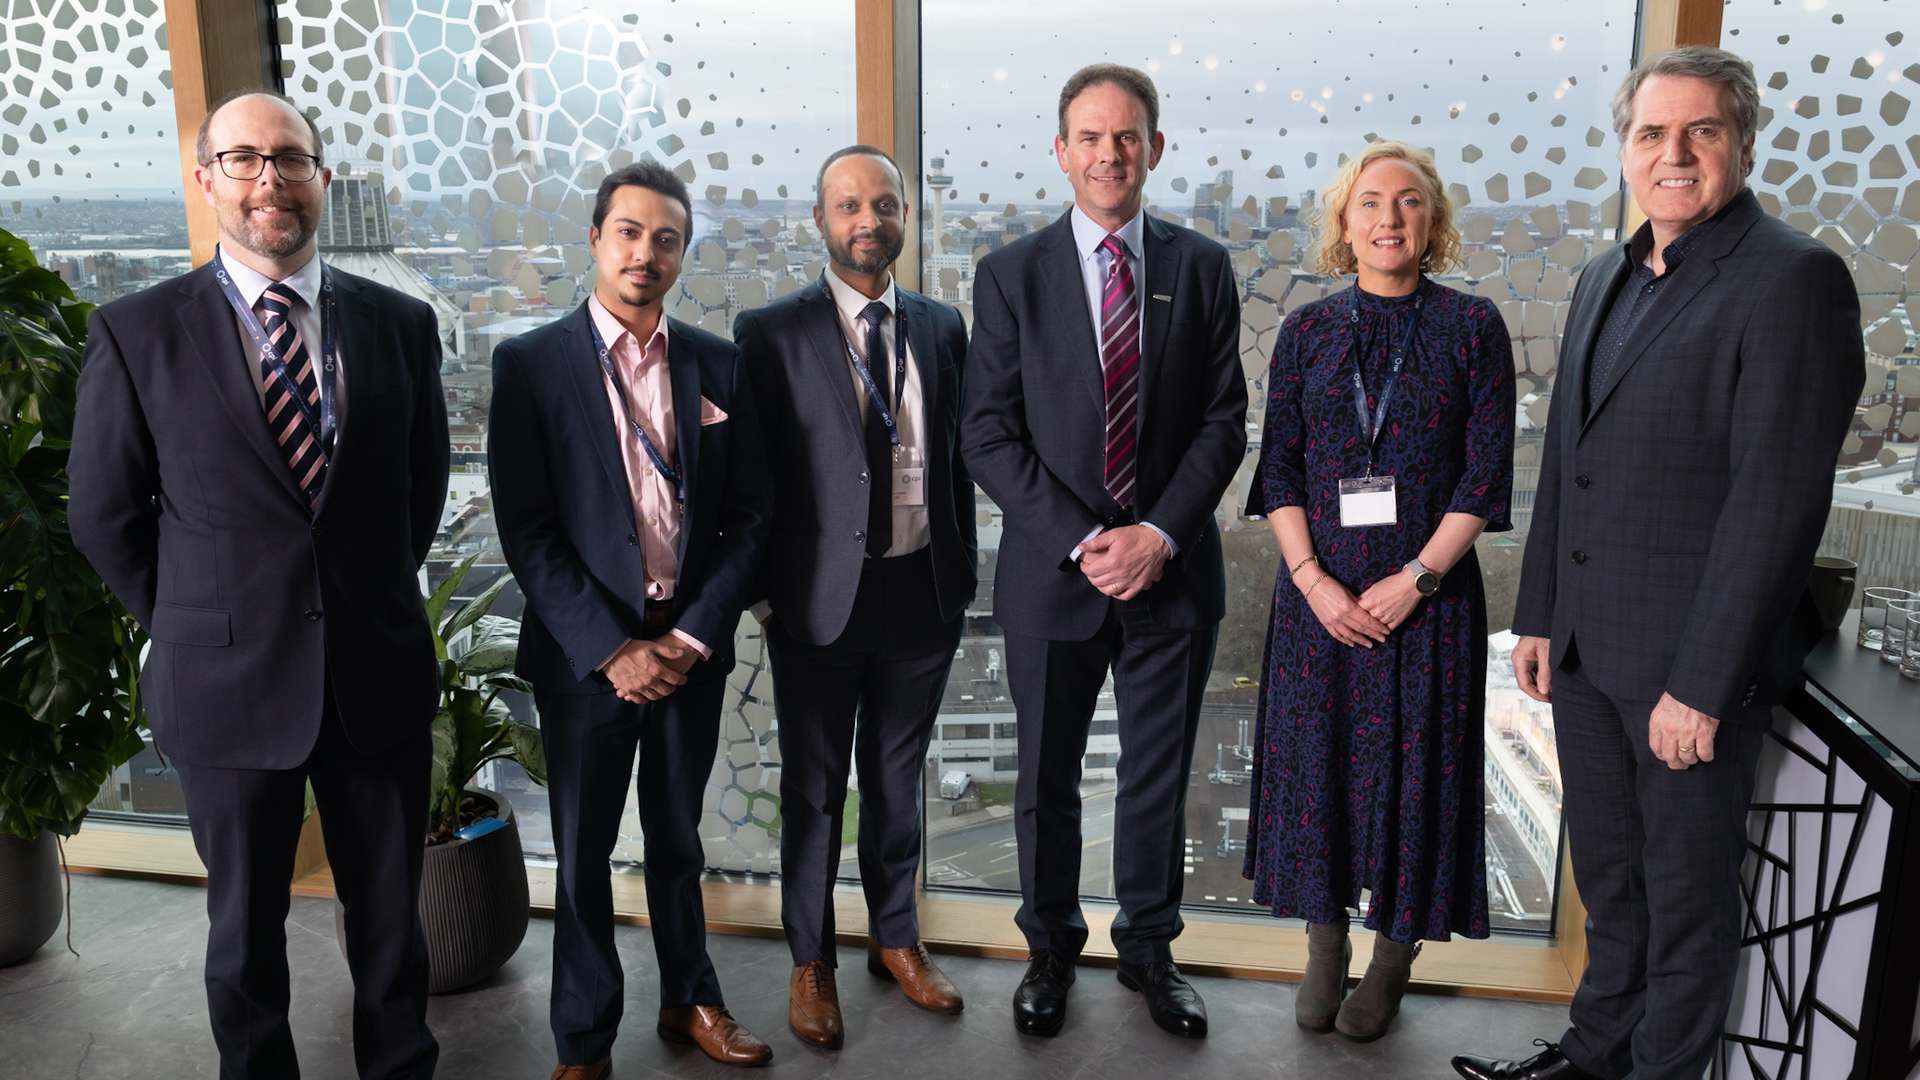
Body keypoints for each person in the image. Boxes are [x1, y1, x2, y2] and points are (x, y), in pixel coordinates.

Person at [1453, 46, 1865, 1080]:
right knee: (1613, 885)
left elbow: (1776, 503)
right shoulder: (1606, 273)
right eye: (1651, 133)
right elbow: (1570, 467)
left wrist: (1703, 684)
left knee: (1684, 910)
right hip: (1590, 655)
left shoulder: (1794, 280)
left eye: (1701, 132)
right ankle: (1594, 1056)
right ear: (1626, 148)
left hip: (1686, 674)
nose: (1673, 154)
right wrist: (1539, 613)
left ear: (1742, 142)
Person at [67, 88, 447, 1079]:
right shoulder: (137, 333)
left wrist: (357, 603)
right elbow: (105, 515)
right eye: (243, 159)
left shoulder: (401, 325)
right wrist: (199, 627)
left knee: (393, 931)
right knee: (243, 937)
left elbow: (421, 489)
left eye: (289, 158)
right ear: (207, 179)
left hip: (375, 671)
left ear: (320, 178)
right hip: (226, 689)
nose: (268, 179)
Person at [960, 62, 1247, 1041]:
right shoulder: (1008, 276)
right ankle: (1048, 948)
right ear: (1060, 151)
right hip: (1054, 574)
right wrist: (1089, 542)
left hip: (1172, 574)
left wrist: (1157, 534)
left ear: (1154, 150)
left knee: (1157, 776)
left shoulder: (1201, 268)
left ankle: (1150, 950)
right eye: (1090, 136)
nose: (1109, 154)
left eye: (1127, 137)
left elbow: (1223, 422)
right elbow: (988, 434)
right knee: (1044, 775)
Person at [488, 161, 773, 1077]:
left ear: (682, 252)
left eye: (665, 238)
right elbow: (526, 531)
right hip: (587, 660)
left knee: (679, 842)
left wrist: (687, 638)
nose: (645, 253)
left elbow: (751, 519)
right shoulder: (529, 364)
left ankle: (691, 1001)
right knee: (582, 856)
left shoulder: (718, 362)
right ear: (596, 240)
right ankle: (582, 1039)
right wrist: (614, 650)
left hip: (687, 649)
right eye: (629, 233)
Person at [1243, 140, 1514, 1042]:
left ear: (1432, 221)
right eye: (1369, 202)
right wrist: (1314, 582)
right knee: (1319, 773)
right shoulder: (1308, 333)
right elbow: (1277, 469)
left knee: (1415, 779)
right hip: (1317, 604)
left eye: (1407, 202)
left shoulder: (1473, 327)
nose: (1388, 218)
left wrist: (1418, 579)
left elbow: (1485, 478)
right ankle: (1325, 951)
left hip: (1426, 607)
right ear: (1343, 222)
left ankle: (1392, 960)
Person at [732, 145, 976, 1050]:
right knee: (815, 790)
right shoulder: (772, 332)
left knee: (897, 780)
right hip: (816, 603)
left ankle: (897, 941)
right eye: (848, 205)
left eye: (883, 203)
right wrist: (764, 599)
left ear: (906, 214)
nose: (867, 220)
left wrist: (962, 572)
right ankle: (812, 960)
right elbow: (750, 481)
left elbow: (953, 458)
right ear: (820, 220)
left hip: (922, 592)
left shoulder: (945, 326)